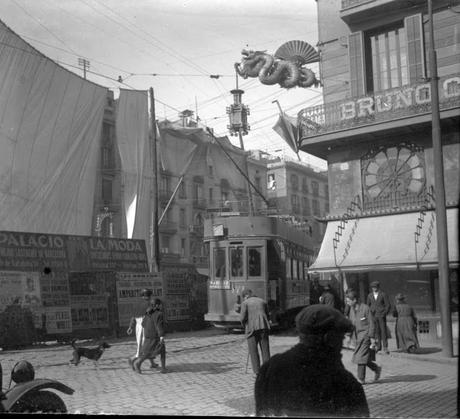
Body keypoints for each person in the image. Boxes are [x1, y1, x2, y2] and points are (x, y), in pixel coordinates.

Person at [255, 304, 369, 417]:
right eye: (341, 338)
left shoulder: (269, 369)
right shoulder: (346, 385)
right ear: (329, 339)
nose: (341, 345)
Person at [346, 290, 382, 385]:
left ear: (354, 300)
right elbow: (351, 324)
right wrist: (349, 337)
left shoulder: (365, 308)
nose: (347, 302)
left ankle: (361, 379)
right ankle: (376, 368)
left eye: (349, 300)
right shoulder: (351, 309)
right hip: (357, 337)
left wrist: (372, 338)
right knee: (363, 357)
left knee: (360, 356)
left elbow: (371, 323)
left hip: (365, 336)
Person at [239, 289, 270, 375]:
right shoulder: (263, 301)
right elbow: (268, 315)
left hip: (251, 328)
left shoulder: (245, 303)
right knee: (265, 349)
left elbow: (242, 318)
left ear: (246, 296)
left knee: (253, 351)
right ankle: (267, 369)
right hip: (264, 327)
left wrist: (244, 325)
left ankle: (257, 371)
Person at [133, 298, 166, 374]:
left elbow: (143, 324)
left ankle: (161, 367)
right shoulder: (159, 314)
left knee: (148, 351)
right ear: (157, 305)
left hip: (147, 334)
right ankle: (138, 363)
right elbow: (159, 326)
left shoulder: (148, 313)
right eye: (160, 305)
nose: (161, 306)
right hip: (155, 335)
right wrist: (161, 336)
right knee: (161, 349)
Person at [127, 289, 158, 369]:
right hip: (145, 326)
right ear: (149, 296)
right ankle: (133, 359)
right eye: (150, 295)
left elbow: (133, 316)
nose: (151, 297)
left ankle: (152, 363)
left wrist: (130, 326)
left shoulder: (137, 304)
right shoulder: (149, 304)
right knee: (146, 345)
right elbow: (150, 316)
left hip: (138, 326)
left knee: (147, 345)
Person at [366, 280, 391, 354]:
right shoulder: (369, 295)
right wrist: (370, 313)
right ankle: (378, 346)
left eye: (375, 287)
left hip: (381, 315)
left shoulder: (383, 294)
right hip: (373, 315)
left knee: (383, 331)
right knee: (377, 332)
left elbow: (388, 305)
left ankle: (385, 347)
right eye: (372, 287)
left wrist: (384, 313)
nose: (374, 289)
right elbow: (367, 305)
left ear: (378, 287)